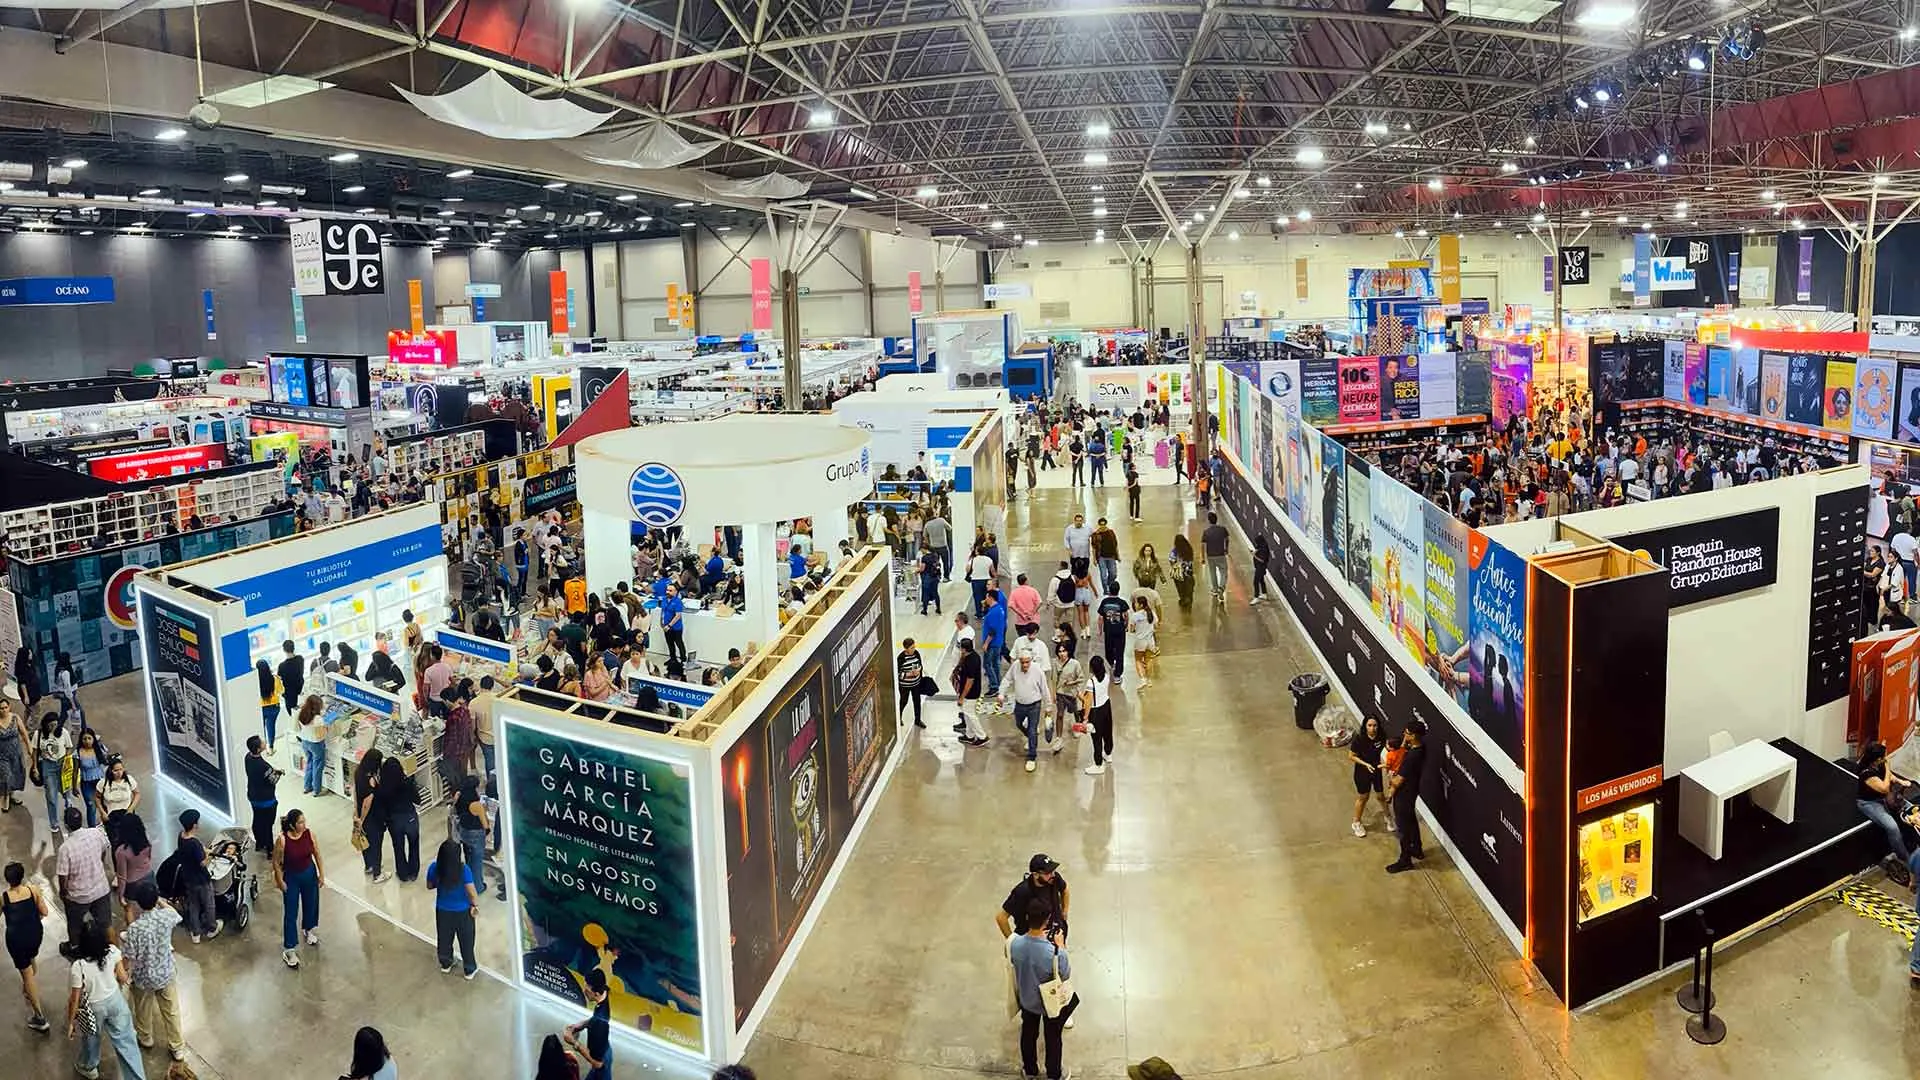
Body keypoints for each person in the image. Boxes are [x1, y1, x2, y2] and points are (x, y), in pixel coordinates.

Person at [1008, 896, 1079, 1080]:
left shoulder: (1014, 944)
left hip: (1027, 1000)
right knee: (1053, 1037)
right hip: (1049, 1004)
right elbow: (1065, 974)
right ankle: (1054, 1074)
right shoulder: (1054, 953)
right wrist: (1060, 946)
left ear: (1027, 917)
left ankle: (1030, 1070)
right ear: (1047, 920)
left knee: (1028, 1034)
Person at [65, 925, 143, 1080]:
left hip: (94, 1008)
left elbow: (75, 999)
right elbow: (122, 978)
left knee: (91, 1038)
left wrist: (71, 1022)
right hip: (115, 1001)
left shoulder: (78, 966)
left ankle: (89, 1067)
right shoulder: (112, 951)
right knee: (127, 1042)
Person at [119, 879, 186, 1062]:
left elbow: (129, 956)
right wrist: (160, 901)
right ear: (155, 898)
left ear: (138, 903)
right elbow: (175, 914)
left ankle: (146, 1038)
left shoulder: (135, 929)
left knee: (143, 1009)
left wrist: (123, 971)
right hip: (165, 973)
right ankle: (177, 1046)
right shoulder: (166, 917)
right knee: (171, 1010)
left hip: (143, 977)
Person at [273, 808, 325, 968]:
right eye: (300, 822)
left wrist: (321, 874)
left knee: (311, 904)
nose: (304, 825)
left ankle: (308, 929)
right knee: (291, 912)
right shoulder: (282, 840)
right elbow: (276, 862)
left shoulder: (310, 835)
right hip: (291, 878)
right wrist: (280, 881)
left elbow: (317, 854)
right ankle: (289, 949)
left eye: (304, 821)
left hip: (309, 874)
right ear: (292, 825)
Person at [1856, 741, 1914, 884]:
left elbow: (1889, 777)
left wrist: (1901, 781)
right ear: (1877, 759)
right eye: (1884, 756)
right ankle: (1904, 857)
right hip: (1870, 803)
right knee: (1892, 827)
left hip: (1885, 798)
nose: (1886, 758)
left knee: (1912, 809)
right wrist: (1888, 767)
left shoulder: (1879, 764)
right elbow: (1884, 788)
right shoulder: (1865, 772)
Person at [2, 861, 50, 1033]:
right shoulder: (32, 890)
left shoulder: (4, 897)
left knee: (27, 975)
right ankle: (28, 988)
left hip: (16, 940)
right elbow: (45, 912)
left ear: (7, 879)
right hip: (35, 935)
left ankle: (40, 1018)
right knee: (31, 959)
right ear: (22, 877)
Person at [56, 806, 113, 950]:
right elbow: (104, 849)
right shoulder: (96, 833)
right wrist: (99, 863)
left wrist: (63, 892)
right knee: (106, 924)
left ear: (66, 825)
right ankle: (114, 952)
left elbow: (63, 875)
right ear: (81, 820)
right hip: (101, 889)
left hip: (79, 896)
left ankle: (74, 947)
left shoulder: (65, 848)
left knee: (74, 924)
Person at [1385, 719, 1429, 873]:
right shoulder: (1420, 748)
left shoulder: (1412, 757)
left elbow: (1398, 780)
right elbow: (1404, 749)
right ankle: (1417, 849)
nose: (1404, 734)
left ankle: (1405, 860)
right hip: (1412, 791)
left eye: (1407, 733)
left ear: (1414, 736)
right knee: (1411, 820)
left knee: (1403, 828)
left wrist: (1391, 780)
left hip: (1404, 794)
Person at [996, 853, 1070, 941]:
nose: (1053, 875)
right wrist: (1012, 941)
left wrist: (1065, 911)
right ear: (1035, 875)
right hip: (1032, 940)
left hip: (1056, 934)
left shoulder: (1054, 878)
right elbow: (1001, 917)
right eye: (1048, 873)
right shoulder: (1022, 891)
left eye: (1053, 871)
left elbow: (1065, 889)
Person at [172, 809, 218, 942]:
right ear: (194, 825)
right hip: (201, 879)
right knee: (209, 904)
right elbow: (203, 863)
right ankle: (211, 928)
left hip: (188, 877)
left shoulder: (181, 836)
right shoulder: (194, 843)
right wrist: (211, 855)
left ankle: (196, 932)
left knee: (193, 905)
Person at [374, 756, 422, 882]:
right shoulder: (407, 783)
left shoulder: (382, 788)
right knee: (414, 844)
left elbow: (381, 807)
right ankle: (414, 872)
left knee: (398, 847)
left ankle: (403, 873)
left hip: (394, 820)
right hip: (410, 817)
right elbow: (418, 800)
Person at [1006, 644, 1052, 773]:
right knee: (1019, 724)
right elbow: (1007, 679)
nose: (1025, 665)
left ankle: (1032, 757)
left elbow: (1044, 688)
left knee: (1032, 730)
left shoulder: (1038, 670)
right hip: (1020, 704)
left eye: (1027, 662)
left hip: (1034, 705)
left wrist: (1048, 705)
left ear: (1031, 661)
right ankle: (1032, 738)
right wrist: (1001, 693)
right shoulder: (1015, 666)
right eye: (1022, 662)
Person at [1347, 715, 1394, 838]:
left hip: (1376, 770)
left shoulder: (1381, 736)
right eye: (1369, 725)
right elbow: (1351, 756)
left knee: (1380, 796)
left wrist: (1390, 765)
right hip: (1362, 772)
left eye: (1375, 725)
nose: (1372, 728)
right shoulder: (1359, 739)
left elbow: (1389, 748)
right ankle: (1356, 823)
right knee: (1364, 797)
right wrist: (1365, 764)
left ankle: (1388, 817)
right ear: (1365, 726)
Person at [561, 968, 612, 1080]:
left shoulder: (599, 1025)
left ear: (596, 993)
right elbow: (596, 1018)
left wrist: (574, 1042)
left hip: (601, 1063)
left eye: (587, 990)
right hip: (604, 1050)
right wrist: (580, 1025)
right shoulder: (604, 993)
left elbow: (598, 1064)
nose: (584, 991)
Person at [454, 775, 492, 903]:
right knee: (477, 862)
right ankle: (478, 887)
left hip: (464, 832)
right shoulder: (476, 804)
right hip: (476, 834)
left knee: (468, 859)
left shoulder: (459, 797)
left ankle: (467, 882)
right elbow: (485, 824)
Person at [244, 736, 280, 854]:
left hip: (253, 796)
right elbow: (273, 780)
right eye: (262, 742)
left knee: (257, 820)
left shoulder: (247, 758)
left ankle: (259, 843)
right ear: (259, 749)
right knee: (267, 825)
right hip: (266, 800)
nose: (264, 742)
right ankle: (270, 849)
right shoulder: (263, 766)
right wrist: (278, 773)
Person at [951, 637, 988, 748]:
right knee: (967, 714)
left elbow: (970, 681)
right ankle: (970, 735)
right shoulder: (972, 655)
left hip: (971, 693)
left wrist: (962, 697)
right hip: (970, 691)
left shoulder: (971, 661)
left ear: (964, 649)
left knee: (971, 715)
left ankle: (982, 736)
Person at [1083, 655, 1114, 775]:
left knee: (1096, 738)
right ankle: (1108, 754)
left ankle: (1098, 764)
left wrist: (1085, 717)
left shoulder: (1091, 682)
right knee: (1107, 732)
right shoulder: (1106, 677)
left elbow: (1089, 702)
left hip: (1096, 712)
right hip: (1106, 706)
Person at [1096, 582, 1130, 682]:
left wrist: (1100, 630)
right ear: (1118, 590)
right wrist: (1126, 626)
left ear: (1109, 590)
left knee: (1109, 649)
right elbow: (1126, 616)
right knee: (1120, 652)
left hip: (1108, 631)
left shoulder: (1104, 602)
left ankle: (1111, 663)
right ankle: (1117, 676)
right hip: (1119, 631)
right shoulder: (1122, 602)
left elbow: (1100, 618)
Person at [73, 730, 106, 829]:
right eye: (84, 739)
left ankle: (108, 826)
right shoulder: (77, 753)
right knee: (91, 806)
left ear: (93, 739)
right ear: (81, 740)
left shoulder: (99, 749)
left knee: (104, 804)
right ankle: (92, 829)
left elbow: (107, 761)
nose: (87, 741)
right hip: (86, 783)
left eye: (89, 738)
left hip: (100, 782)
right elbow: (75, 771)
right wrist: (74, 787)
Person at [96, 757, 140, 830]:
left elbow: (137, 794)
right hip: (110, 816)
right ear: (110, 770)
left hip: (127, 814)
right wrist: (102, 813)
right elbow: (97, 798)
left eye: (121, 769)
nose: (119, 773)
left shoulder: (129, 779)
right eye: (116, 770)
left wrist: (131, 809)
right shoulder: (103, 783)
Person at [896, 639, 927, 729]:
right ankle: (898, 717)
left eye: (914, 647)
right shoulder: (901, 658)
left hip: (916, 684)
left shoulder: (916, 653)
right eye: (911, 648)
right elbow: (898, 674)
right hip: (904, 686)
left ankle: (918, 720)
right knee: (903, 701)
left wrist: (919, 670)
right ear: (906, 648)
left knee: (917, 702)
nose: (914, 649)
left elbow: (920, 665)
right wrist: (909, 674)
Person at [1129, 595, 1159, 688]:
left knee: (1138, 660)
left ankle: (1143, 680)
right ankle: (1149, 680)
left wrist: (1137, 629)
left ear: (1141, 605)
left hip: (1140, 641)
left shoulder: (1135, 616)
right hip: (1150, 641)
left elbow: (1131, 629)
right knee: (1149, 660)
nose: (1135, 605)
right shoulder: (1152, 613)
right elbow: (1156, 626)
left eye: (1136, 603)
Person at [0, 700, 24, 813]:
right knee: (6, 777)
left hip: (15, 753)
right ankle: (6, 798)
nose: (4, 710)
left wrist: (29, 747)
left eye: (6, 707)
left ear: (9, 707)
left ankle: (12, 795)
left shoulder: (15, 718)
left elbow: (23, 733)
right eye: (1, 708)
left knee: (15, 775)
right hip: (2, 755)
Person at [1200, 512, 1230, 604]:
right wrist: (1226, 549)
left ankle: (1215, 589)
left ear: (1209, 521)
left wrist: (1203, 558)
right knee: (1224, 572)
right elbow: (1227, 539)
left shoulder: (1206, 532)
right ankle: (1221, 588)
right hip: (1221, 554)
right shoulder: (1222, 529)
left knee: (1212, 573)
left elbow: (1202, 545)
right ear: (1216, 519)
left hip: (1210, 555)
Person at [276, 641, 306, 725]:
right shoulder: (300, 659)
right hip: (300, 691)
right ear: (294, 648)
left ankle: (298, 732)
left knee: (293, 717)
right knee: (303, 714)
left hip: (289, 696)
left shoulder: (282, 666)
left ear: (284, 650)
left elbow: (279, 680)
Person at [1092, 517, 1121, 595]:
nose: (1103, 526)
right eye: (1101, 525)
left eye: (1104, 525)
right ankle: (1106, 590)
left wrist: (1118, 556)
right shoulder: (1095, 535)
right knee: (1103, 576)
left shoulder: (1111, 533)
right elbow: (1094, 548)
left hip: (1111, 556)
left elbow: (1115, 545)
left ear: (1106, 524)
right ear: (1099, 525)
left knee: (1113, 574)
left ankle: (1109, 584)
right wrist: (1094, 559)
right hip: (1101, 557)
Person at [660, 583, 688, 666]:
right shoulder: (664, 599)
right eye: (667, 590)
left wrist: (669, 625)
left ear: (676, 592)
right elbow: (663, 611)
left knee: (679, 643)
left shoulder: (678, 602)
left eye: (670, 590)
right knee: (670, 644)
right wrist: (661, 622)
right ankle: (673, 659)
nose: (667, 592)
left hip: (676, 628)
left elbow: (678, 615)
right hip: (666, 627)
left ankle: (683, 659)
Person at [1168, 534, 1197, 609]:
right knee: (1189, 586)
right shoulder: (1189, 548)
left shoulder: (1175, 551)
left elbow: (1171, 560)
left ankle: (1183, 598)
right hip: (1188, 571)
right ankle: (1189, 598)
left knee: (1180, 587)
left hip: (1178, 572)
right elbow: (1191, 559)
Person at [1249, 533, 1272, 605]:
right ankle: (1264, 594)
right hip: (1258, 567)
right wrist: (1255, 551)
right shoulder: (1260, 546)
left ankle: (1256, 597)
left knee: (1255, 582)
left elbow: (1262, 560)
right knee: (1261, 580)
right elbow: (1257, 550)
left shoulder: (1264, 550)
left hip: (1261, 568)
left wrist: (1254, 555)